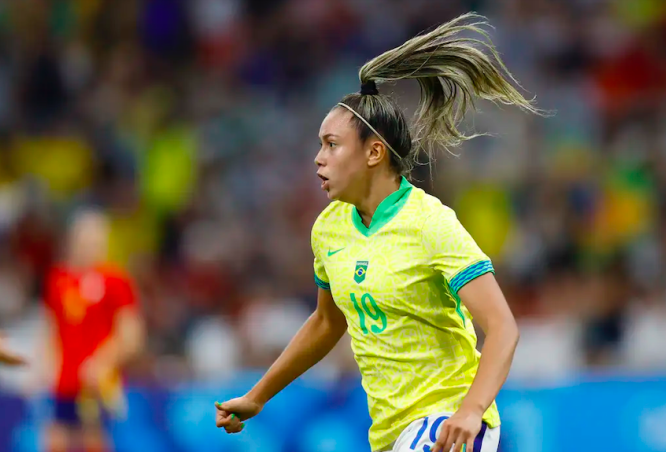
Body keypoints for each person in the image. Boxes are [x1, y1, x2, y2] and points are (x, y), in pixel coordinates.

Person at [216, 13, 540, 452]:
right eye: (319, 144)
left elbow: (502, 327)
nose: (318, 158)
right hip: (391, 434)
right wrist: (257, 397)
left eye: (331, 144)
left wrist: (471, 410)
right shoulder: (329, 229)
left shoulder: (430, 223)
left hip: (449, 424)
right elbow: (327, 323)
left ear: (373, 152)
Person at [40, 209, 145, 452]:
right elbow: (51, 330)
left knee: (95, 441)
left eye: (96, 241)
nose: (91, 247)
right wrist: (46, 370)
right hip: (64, 382)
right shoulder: (58, 279)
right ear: (72, 241)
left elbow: (131, 335)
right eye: (85, 240)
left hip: (98, 382)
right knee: (55, 441)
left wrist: (103, 362)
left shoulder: (116, 281)